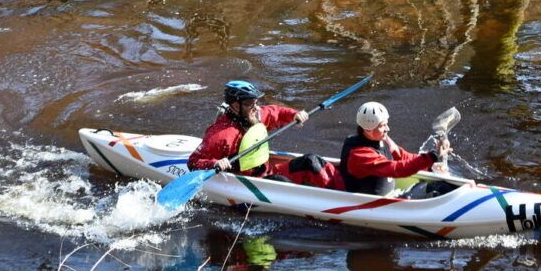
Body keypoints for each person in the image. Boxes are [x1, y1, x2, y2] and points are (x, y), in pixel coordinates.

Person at [188, 80, 342, 188]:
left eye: (255, 102)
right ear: (235, 105)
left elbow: (278, 112)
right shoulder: (221, 135)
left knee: (311, 160)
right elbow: (194, 162)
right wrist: (215, 164)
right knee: (283, 183)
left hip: (267, 171)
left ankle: (342, 191)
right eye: (250, 104)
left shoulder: (256, 115)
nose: (256, 107)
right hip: (248, 181)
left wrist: (295, 115)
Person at [340, 102, 452, 197]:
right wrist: (432, 156)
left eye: (386, 124)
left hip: (390, 195)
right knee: (440, 189)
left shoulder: (382, 138)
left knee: (445, 186)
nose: (387, 129)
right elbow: (397, 169)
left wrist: (429, 165)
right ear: (368, 129)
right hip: (371, 204)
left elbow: (402, 156)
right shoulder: (360, 156)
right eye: (383, 126)